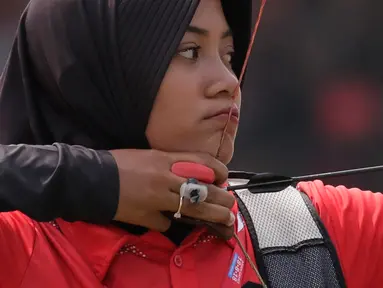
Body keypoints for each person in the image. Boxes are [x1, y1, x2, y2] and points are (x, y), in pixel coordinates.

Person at [0, 0, 382, 287]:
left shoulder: (311, 231)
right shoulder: (19, 246)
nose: (229, 82)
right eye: (189, 52)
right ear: (94, 74)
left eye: (229, 55)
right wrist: (97, 181)